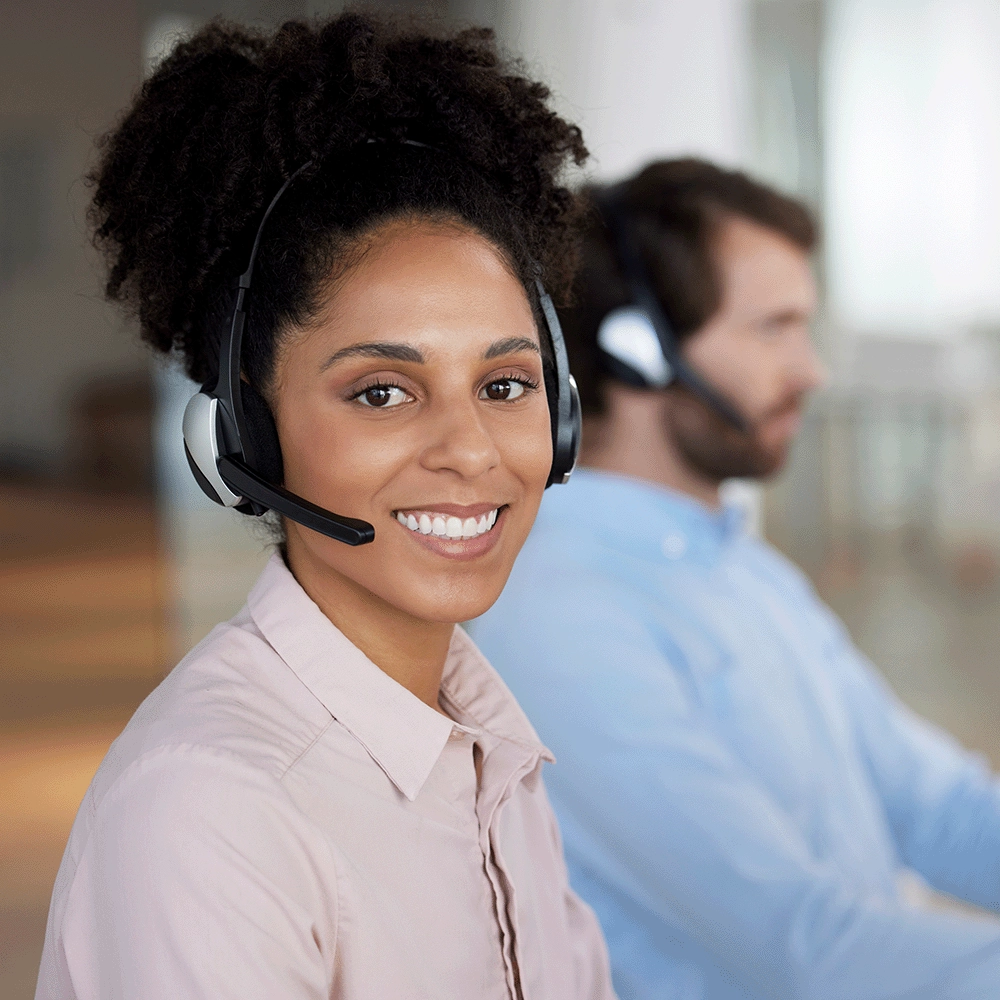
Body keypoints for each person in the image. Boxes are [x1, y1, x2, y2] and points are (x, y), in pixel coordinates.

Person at [35, 14, 615, 1000]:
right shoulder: (212, 808)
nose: (469, 448)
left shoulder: (490, 749)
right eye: (381, 391)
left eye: (506, 384)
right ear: (251, 434)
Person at [471, 159, 1000, 999]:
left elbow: (937, 809)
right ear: (638, 351)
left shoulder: (738, 568)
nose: (812, 369)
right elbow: (802, 947)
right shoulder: (561, 617)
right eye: (773, 329)